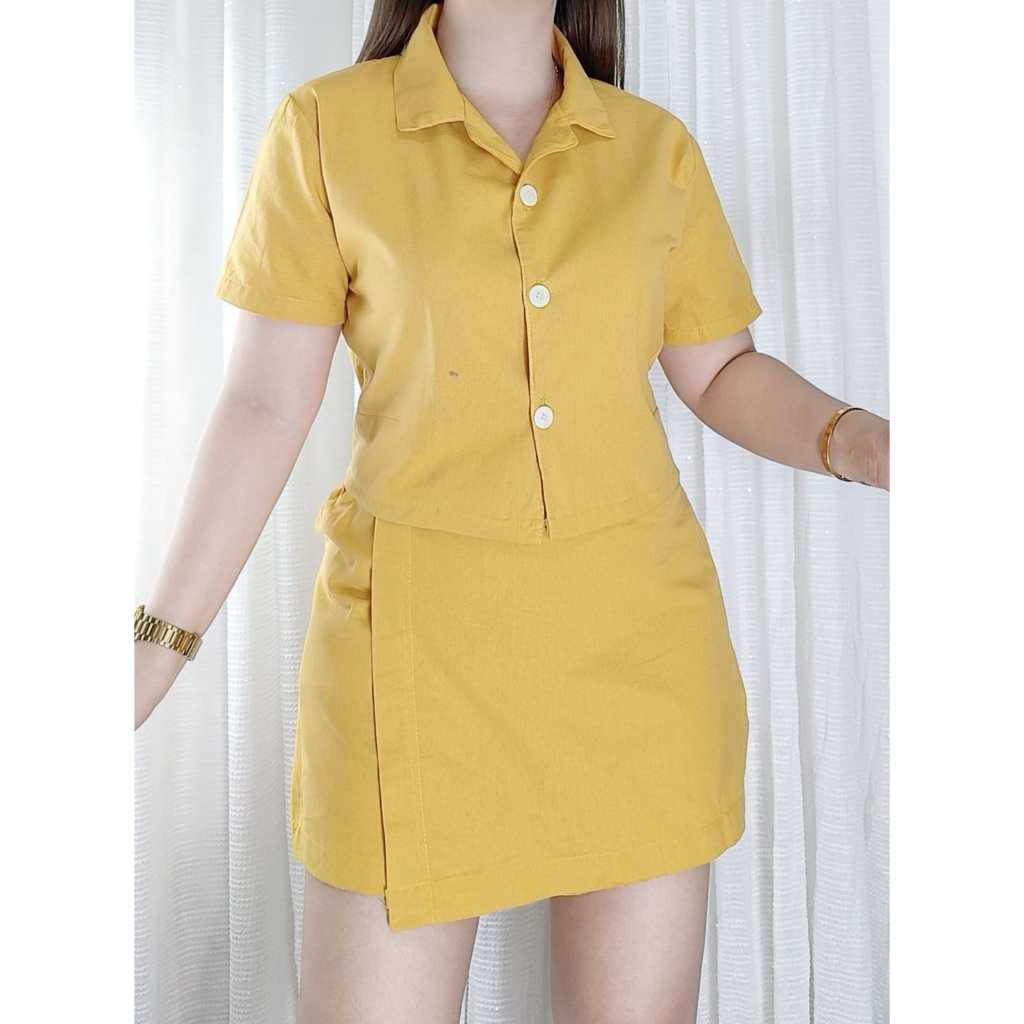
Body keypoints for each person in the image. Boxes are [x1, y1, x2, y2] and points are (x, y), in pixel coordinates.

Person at [134, 1, 889, 1021]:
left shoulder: (653, 148)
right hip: (410, 671)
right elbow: (265, 404)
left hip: (640, 669)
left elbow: (719, 372)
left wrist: (861, 442)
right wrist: (157, 646)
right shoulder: (324, 130)